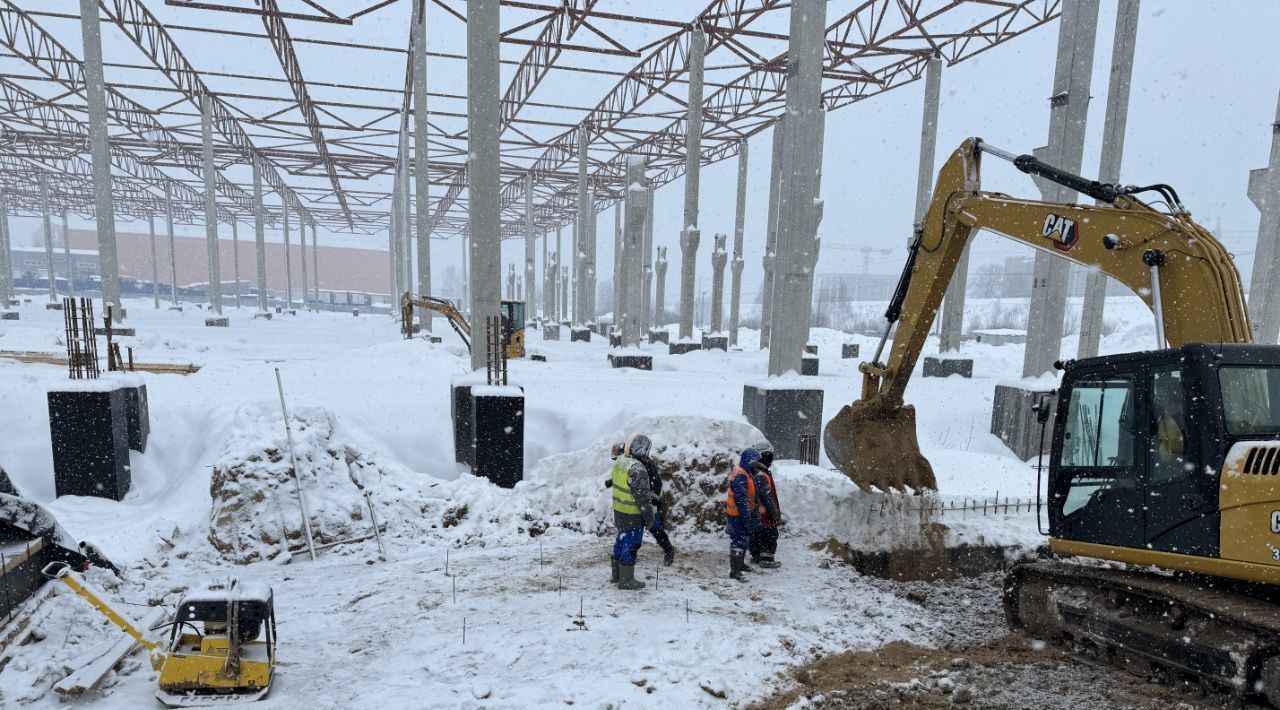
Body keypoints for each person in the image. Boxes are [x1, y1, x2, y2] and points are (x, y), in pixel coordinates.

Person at [608, 434, 655, 590]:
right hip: (633, 514)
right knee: (632, 544)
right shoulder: (637, 468)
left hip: (620, 511)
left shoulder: (621, 461)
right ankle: (626, 580)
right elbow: (642, 499)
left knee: (621, 540)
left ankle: (616, 576)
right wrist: (649, 518)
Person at [725, 447, 762, 582]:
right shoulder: (741, 474)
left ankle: (740, 564)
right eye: (755, 462)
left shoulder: (745, 472)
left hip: (741, 513)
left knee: (744, 538)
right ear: (749, 460)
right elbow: (740, 499)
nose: (757, 465)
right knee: (738, 540)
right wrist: (746, 517)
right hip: (738, 514)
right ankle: (735, 571)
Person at [749, 442, 783, 569]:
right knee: (770, 533)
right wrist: (773, 513)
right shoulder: (761, 474)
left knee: (756, 534)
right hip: (764, 513)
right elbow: (766, 496)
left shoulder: (753, 471)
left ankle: (756, 556)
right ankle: (767, 559)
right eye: (770, 455)